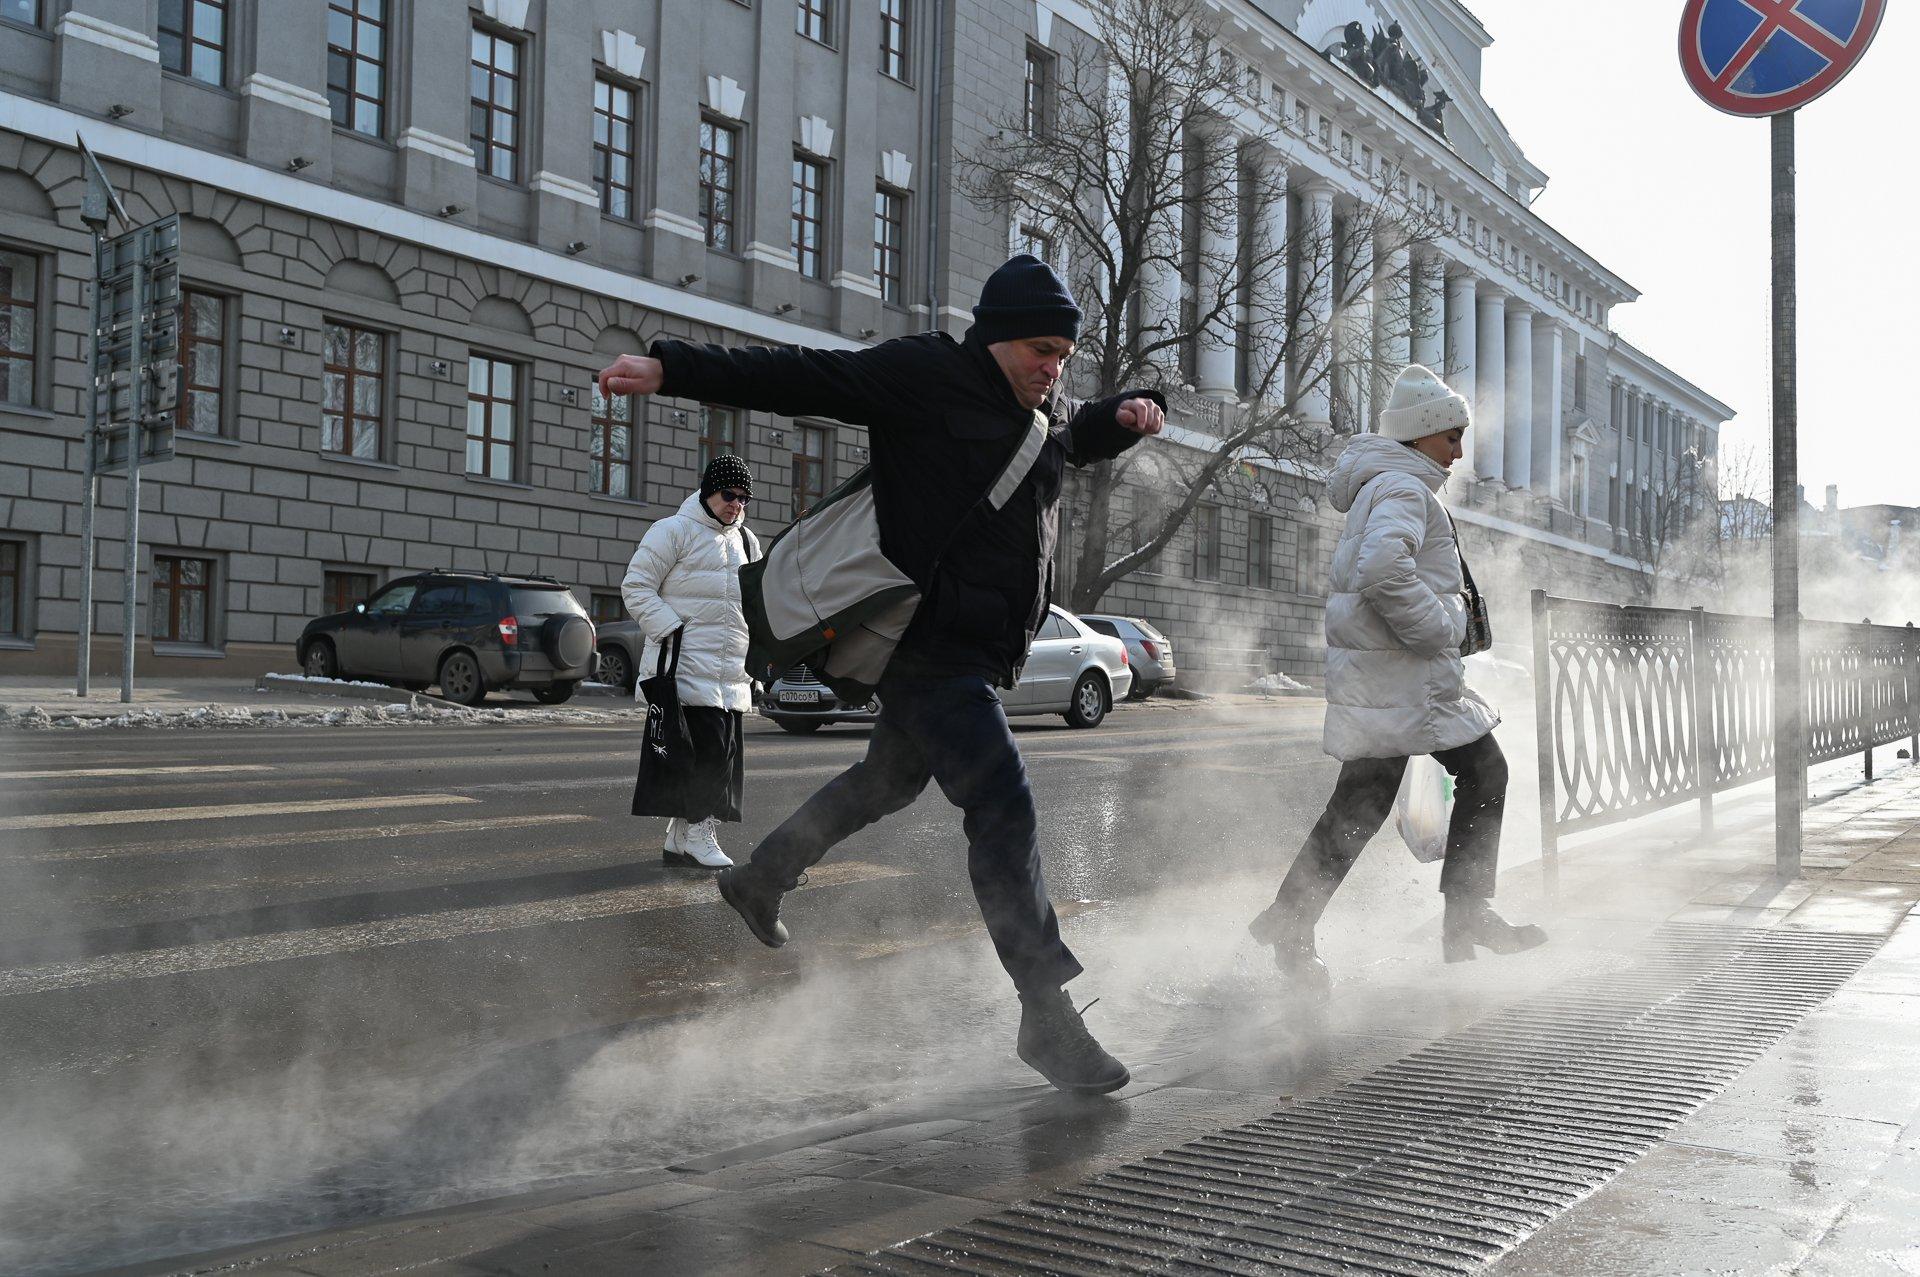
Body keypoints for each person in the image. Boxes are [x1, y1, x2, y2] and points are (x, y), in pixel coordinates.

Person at [597, 255, 1166, 1094]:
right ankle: (1045, 1015)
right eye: (1042, 349)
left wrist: (1129, 413)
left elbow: (1079, 433)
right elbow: (806, 377)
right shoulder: (928, 375)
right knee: (1001, 801)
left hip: (976, 652)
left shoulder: (1042, 408)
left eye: (1065, 356)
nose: (1054, 367)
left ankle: (761, 878)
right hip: (924, 649)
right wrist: (673, 365)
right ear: (999, 337)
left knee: (889, 779)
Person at [1248, 364, 1546, 999]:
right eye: (1452, 437)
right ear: (1421, 436)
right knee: (1484, 771)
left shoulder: (1390, 485)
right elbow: (1383, 569)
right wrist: (1438, 627)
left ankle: (1291, 922)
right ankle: (1464, 915)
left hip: (1388, 679)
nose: (1460, 451)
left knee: (1362, 801)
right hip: (1403, 678)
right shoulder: (1406, 489)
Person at [621, 455, 761, 869]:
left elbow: (753, 607)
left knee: (718, 756)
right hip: (683, 668)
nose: (735, 504)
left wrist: (759, 662)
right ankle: (698, 834)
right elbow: (636, 587)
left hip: (731, 672)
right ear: (707, 492)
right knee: (706, 757)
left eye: (743, 497)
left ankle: (680, 838)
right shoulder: (673, 531)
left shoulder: (748, 543)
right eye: (728, 495)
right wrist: (672, 628)